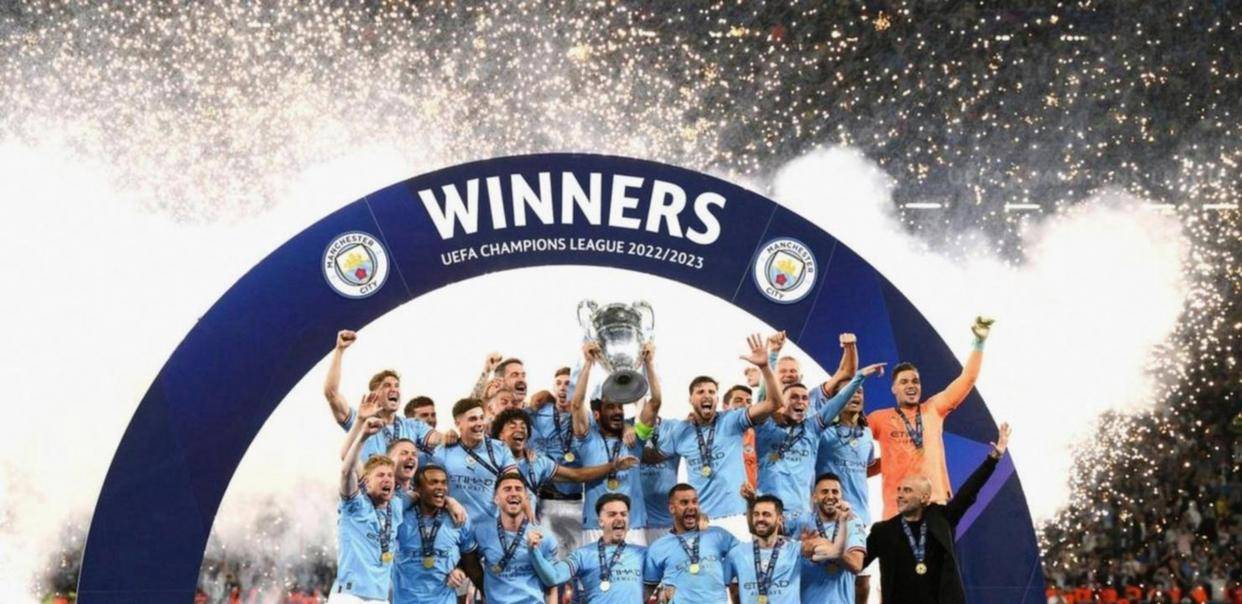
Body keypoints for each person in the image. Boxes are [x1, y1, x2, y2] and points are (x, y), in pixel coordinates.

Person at [637, 334, 782, 540]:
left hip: (737, 516)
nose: (707, 395)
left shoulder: (733, 420)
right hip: (701, 520)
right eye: (700, 392)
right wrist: (627, 443)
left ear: (717, 398)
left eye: (712, 392)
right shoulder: (680, 430)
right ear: (690, 399)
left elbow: (774, 403)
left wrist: (766, 367)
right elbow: (653, 456)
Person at [864, 422, 1011, 604]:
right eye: (899, 490)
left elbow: (968, 492)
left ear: (924, 497)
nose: (900, 495)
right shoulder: (883, 531)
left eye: (907, 490)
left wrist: (993, 459)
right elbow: (855, 563)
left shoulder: (942, 518)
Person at [869, 317, 994, 519]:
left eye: (915, 381)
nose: (911, 385)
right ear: (893, 389)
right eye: (904, 382)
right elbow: (850, 446)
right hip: (896, 511)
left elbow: (967, 379)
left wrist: (979, 343)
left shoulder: (933, 409)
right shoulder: (878, 419)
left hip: (934, 505)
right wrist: (880, 464)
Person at [751, 363, 883, 526]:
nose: (800, 401)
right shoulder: (765, 427)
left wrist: (859, 377)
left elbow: (838, 402)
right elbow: (763, 401)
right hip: (767, 512)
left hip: (801, 516)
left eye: (804, 398)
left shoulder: (812, 429)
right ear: (782, 403)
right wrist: (766, 365)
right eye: (794, 397)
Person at [569, 340, 660, 544]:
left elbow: (655, 403)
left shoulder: (634, 438)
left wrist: (649, 364)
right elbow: (576, 405)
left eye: (620, 407)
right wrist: (588, 363)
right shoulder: (587, 440)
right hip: (595, 526)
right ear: (597, 414)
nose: (617, 411)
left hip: (633, 526)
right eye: (611, 407)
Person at [491, 407, 637, 519]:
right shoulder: (488, 460)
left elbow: (576, 475)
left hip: (527, 533)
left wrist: (613, 466)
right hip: (494, 530)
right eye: (512, 426)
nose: (519, 429)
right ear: (500, 435)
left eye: (523, 427)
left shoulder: (538, 462)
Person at [323, 330, 440, 461]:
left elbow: (436, 439)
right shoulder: (360, 421)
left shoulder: (412, 425)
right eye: (387, 385)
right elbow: (331, 393)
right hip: (368, 474)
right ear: (375, 394)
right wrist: (339, 350)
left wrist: (448, 436)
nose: (394, 389)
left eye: (397, 386)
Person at [815, 378, 878, 603]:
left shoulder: (867, 434)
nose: (855, 396)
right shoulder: (823, 434)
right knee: (827, 575)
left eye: (859, 391)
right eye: (849, 392)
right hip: (828, 516)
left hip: (859, 514)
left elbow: (865, 467)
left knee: (862, 580)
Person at [529, 493, 652, 602]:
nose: (619, 518)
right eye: (612, 514)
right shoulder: (582, 555)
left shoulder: (644, 554)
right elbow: (554, 577)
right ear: (600, 521)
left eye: (624, 514)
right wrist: (534, 551)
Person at [330, 415, 400, 604]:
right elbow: (346, 470)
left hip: (380, 598)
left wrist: (451, 503)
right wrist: (362, 435)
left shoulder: (397, 506)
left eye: (390, 476)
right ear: (366, 482)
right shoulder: (355, 505)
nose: (387, 479)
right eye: (380, 475)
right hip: (349, 596)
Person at [466, 472, 560, 604]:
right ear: (496, 499)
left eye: (518, 489)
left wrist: (535, 551)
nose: (514, 493)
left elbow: (552, 584)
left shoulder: (544, 536)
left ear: (526, 498)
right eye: (507, 489)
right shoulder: (481, 532)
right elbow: (469, 562)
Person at [392, 464, 477, 604]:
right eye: (433, 482)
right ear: (418, 488)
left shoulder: (458, 518)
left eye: (443, 483)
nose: (440, 487)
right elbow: (385, 508)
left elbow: (471, 559)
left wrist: (460, 570)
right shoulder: (401, 518)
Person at [643, 484, 740, 602]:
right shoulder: (658, 547)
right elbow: (649, 590)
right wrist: (661, 595)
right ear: (672, 508)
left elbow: (743, 556)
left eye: (694, 502)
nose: (691, 507)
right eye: (684, 503)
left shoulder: (718, 535)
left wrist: (727, 577)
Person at [430, 398, 518, 526]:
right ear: (458, 423)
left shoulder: (500, 449)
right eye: (473, 419)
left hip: (489, 526)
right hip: (453, 524)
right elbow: (429, 488)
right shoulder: (443, 450)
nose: (479, 423)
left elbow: (514, 482)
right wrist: (448, 501)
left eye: (481, 418)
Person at [789, 473, 867, 604]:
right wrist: (799, 546)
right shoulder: (801, 521)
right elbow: (768, 531)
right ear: (814, 497)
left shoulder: (852, 521)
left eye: (835, 492)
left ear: (841, 496)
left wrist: (827, 546)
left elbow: (856, 565)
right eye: (824, 492)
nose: (830, 496)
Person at [723, 495, 806, 604]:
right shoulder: (737, 553)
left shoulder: (795, 550)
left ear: (780, 519)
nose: (760, 519)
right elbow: (716, 586)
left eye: (766, 514)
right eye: (756, 514)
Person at [723, 384, 759, 489]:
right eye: (738, 400)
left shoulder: (759, 433)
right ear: (725, 406)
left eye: (749, 401)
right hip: (726, 494)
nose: (745, 404)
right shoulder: (714, 433)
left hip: (755, 494)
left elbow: (773, 457)